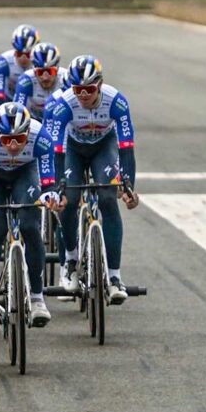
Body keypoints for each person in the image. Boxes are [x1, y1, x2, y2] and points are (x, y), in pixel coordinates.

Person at [47, 55, 139, 304]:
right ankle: (70, 260)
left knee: (108, 199)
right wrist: (58, 189)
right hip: (72, 150)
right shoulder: (64, 105)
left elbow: (126, 147)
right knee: (69, 200)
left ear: (99, 84)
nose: (83, 95)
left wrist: (128, 185)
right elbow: (56, 151)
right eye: (78, 89)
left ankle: (114, 276)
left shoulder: (116, 101)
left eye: (88, 89)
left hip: (103, 147)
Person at [0, 103, 61, 327]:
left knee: (30, 227)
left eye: (19, 139)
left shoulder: (42, 137)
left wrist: (51, 196)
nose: (12, 145)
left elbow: (49, 183)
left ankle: (37, 298)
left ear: (27, 132)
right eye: (6, 140)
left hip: (25, 173)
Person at [0, 24, 39, 111]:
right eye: (19, 54)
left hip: (32, 104)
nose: (23, 58)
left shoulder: (41, 66)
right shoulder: (3, 62)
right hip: (8, 100)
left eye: (28, 54)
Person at [12, 42, 63, 121]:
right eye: (40, 72)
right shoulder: (26, 80)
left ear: (57, 69)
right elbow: (17, 112)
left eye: (50, 71)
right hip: (34, 122)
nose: (45, 78)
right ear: (34, 70)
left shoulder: (65, 80)